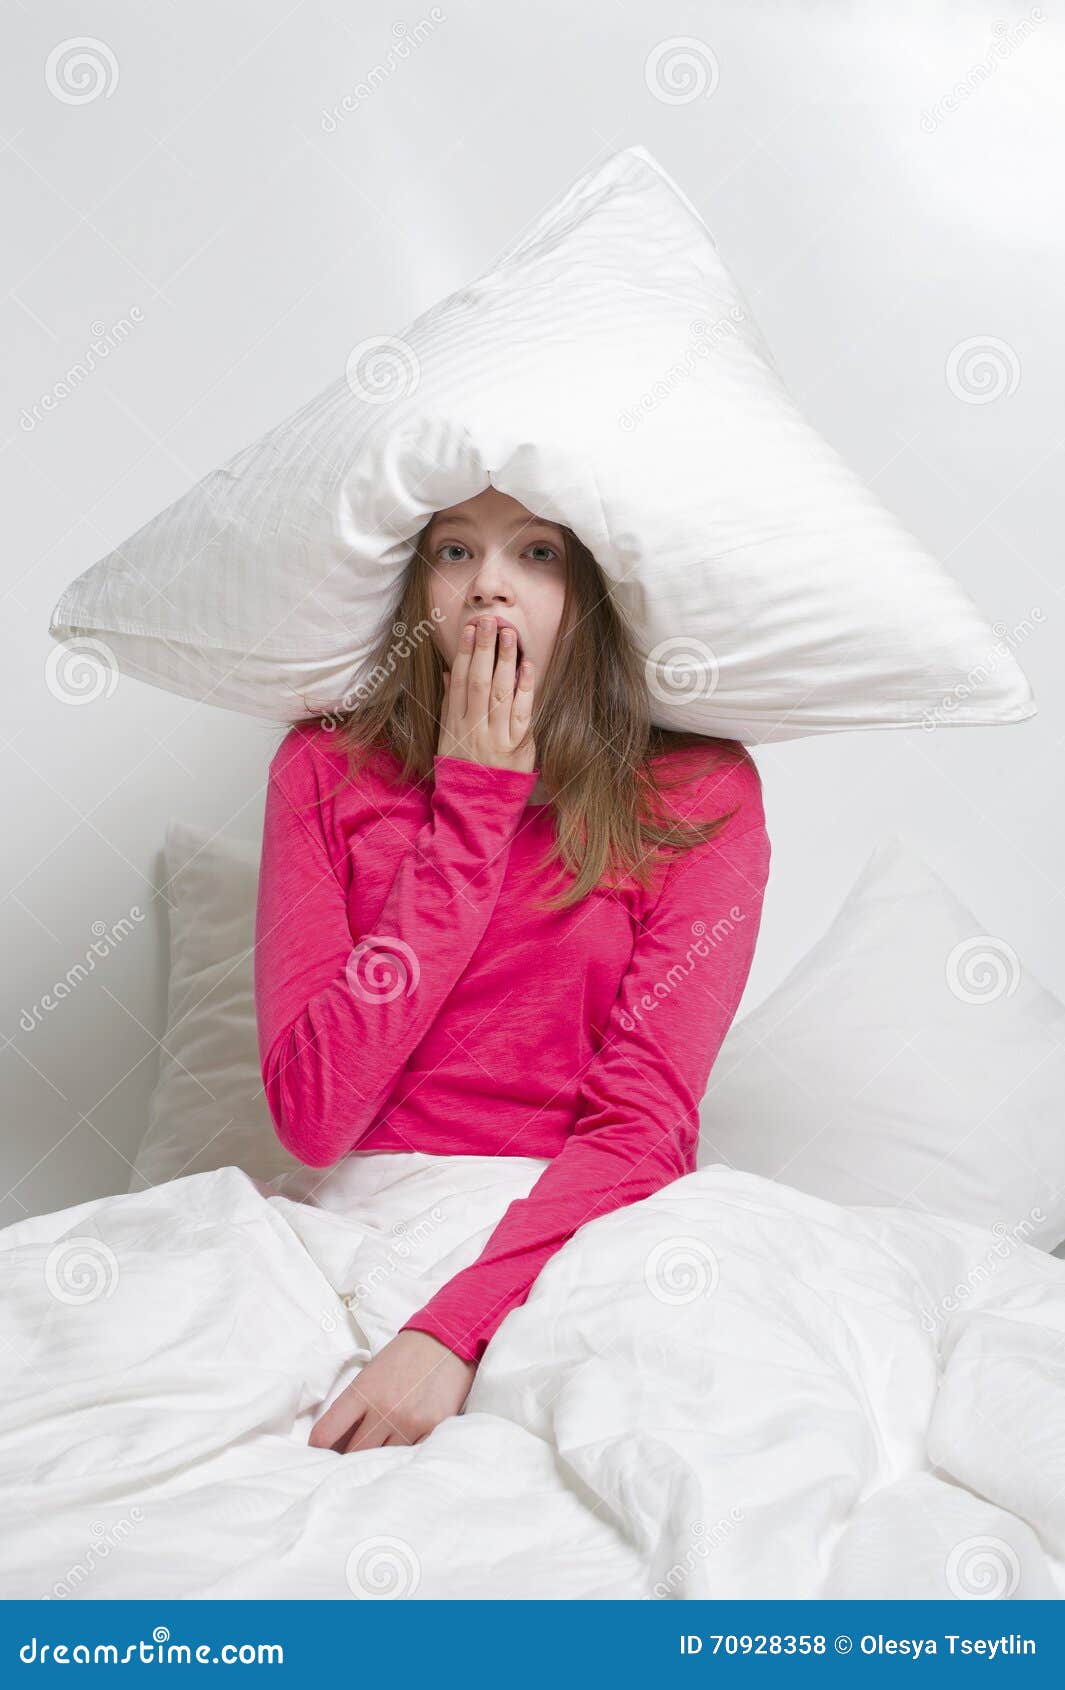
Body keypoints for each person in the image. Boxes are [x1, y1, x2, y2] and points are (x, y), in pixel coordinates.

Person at [253, 486, 771, 1454]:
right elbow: (314, 1115)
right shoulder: (323, 769)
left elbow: (643, 1129)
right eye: (455, 553)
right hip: (364, 1216)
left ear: (594, 591)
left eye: (537, 554)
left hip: (577, 1228)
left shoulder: (702, 791)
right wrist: (472, 811)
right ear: (417, 589)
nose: (489, 585)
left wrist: (451, 1330)